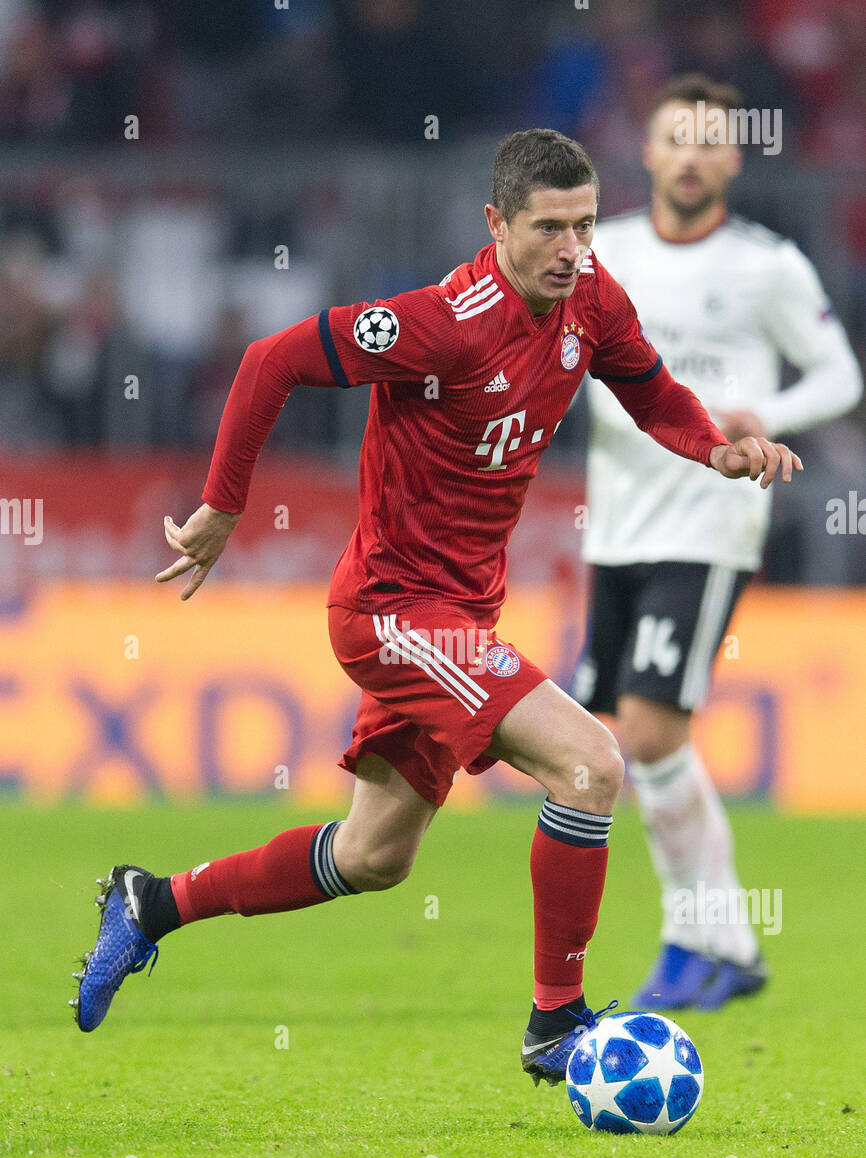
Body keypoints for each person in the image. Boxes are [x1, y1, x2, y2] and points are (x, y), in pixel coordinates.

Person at [71, 128, 802, 1084]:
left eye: (585, 225)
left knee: (374, 857)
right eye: (549, 228)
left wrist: (715, 448)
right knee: (590, 765)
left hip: (459, 617)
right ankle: (556, 1023)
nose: (572, 249)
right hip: (392, 613)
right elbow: (270, 360)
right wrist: (222, 507)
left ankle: (152, 902)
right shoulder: (440, 322)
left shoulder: (591, 299)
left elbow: (652, 391)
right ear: (496, 222)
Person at [574, 76, 862, 1011]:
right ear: (648, 154)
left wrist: (762, 413)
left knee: (651, 730)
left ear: (734, 158)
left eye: (710, 142)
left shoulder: (766, 265)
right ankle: (724, 943)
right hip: (616, 522)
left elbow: (839, 375)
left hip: (709, 520)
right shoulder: (603, 253)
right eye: (675, 140)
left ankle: (698, 938)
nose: (692, 156)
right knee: (631, 738)